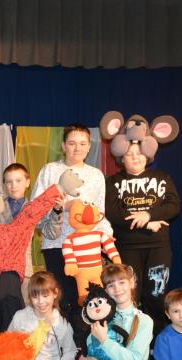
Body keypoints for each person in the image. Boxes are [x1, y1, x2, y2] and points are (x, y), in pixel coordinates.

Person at [30, 124, 112, 319]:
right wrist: (64, 207)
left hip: (87, 248)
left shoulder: (96, 175)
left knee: (89, 300)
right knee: (62, 300)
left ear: (89, 147)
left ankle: (86, 338)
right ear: (63, 145)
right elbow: (35, 209)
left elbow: (100, 213)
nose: (77, 148)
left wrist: (106, 241)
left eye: (83, 143)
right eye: (72, 143)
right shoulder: (50, 170)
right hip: (56, 245)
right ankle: (64, 338)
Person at [105, 140, 179, 337]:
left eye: (139, 153)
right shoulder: (112, 182)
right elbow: (112, 213)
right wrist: (146, 222)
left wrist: (149, 215)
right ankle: (129, 339)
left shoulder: (162, 178)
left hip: (158, 246)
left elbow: (173, 206)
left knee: (156, 294)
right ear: (121, 158)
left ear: (147, 155)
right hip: (127, 247)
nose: (135, 157)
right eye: (129, 154)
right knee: (129, 295)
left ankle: (155, 341)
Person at [3, 163, 63, 303]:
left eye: (18, 180)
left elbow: (51, 233)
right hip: (0, 270)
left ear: (27, 182)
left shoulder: (35, 208)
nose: (14, 185)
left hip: (24, 270)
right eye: (9, 182)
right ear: (4, 185)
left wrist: (57, 212)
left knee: (25, 308)